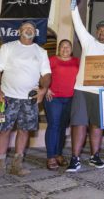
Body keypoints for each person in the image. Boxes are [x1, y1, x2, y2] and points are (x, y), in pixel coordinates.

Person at [66, 0, 104, 172]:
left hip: (101, 92)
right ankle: (75, 158)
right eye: (100, 29)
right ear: (96, 32)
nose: (102, 32)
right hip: (82, 89)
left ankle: (95, 156)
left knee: (97, 125)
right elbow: (76, 20)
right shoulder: (88, 41)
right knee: (79, 124)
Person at [0, 21, 51, 180]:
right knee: (3, 130)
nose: (29, 30)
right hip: (6, 97)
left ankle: (17, 164)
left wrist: (44, 89)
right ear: (19, 31)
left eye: (32, 28)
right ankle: (0, 165)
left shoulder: (41, 52)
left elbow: (46, 75)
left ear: (35, 32)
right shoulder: (7, 48)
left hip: (30, 100)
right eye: (25, 28)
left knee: (24, 130)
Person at [44, 39, 79, 170]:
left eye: (68, 47)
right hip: (54, 98)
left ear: (71, 49)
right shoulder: (52, 60)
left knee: (63, 127)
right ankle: (51, 156)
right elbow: (42, 74)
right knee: (54, 125)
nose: (65, 49)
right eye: (62, 47)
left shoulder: (77, 61)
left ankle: (58, 154)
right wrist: (45, 88)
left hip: (71, 98)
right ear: (59, 48)